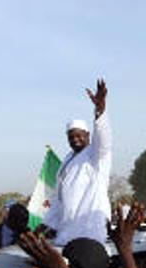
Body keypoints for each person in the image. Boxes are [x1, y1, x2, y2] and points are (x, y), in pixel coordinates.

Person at [42, 79, 112, 246]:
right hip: (66, 232)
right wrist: (46, 225)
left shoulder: (95, 153)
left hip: (89, 230)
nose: (76, 139)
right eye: (71, 137)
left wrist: (100, 110)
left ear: (88, 135)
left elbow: (103, 138)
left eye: (80, 135)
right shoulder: (67, 159)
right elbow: (59, 199)